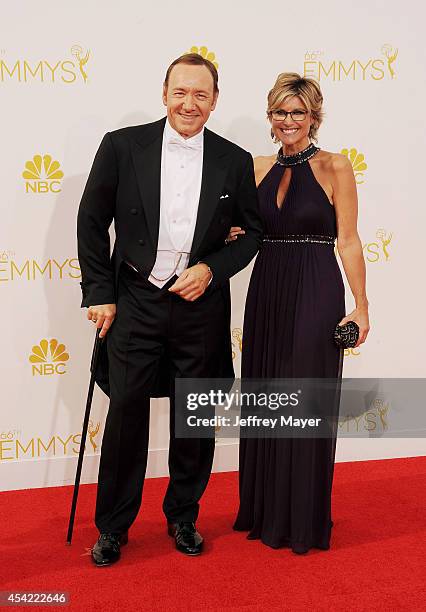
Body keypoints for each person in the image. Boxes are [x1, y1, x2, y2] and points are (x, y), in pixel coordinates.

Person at [77, 53, 263, 566]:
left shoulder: (234, 159)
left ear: (215, 101)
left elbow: (251, 235)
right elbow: (91, 220)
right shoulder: (121, 146)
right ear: (164, 93)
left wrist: (212, 269)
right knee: (126, 415)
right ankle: (113, 526)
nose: (189, 103)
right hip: (135, 298)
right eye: (180, 92)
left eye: (201, 95)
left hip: (199, 305)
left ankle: (183, 515)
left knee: (195, 417)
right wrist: (99, 292)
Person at [231, 72, 370, 553]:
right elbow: (244, 231)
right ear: (270, 117)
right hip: (267, 287)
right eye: (279, 112)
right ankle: (266, 509)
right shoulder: (255, 168)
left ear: (313, 116)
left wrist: (362, 307)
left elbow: (348, 241)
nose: (288, 121)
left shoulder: (336, 166)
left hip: (315, 286)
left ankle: (303, 518)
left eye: (297, 112)